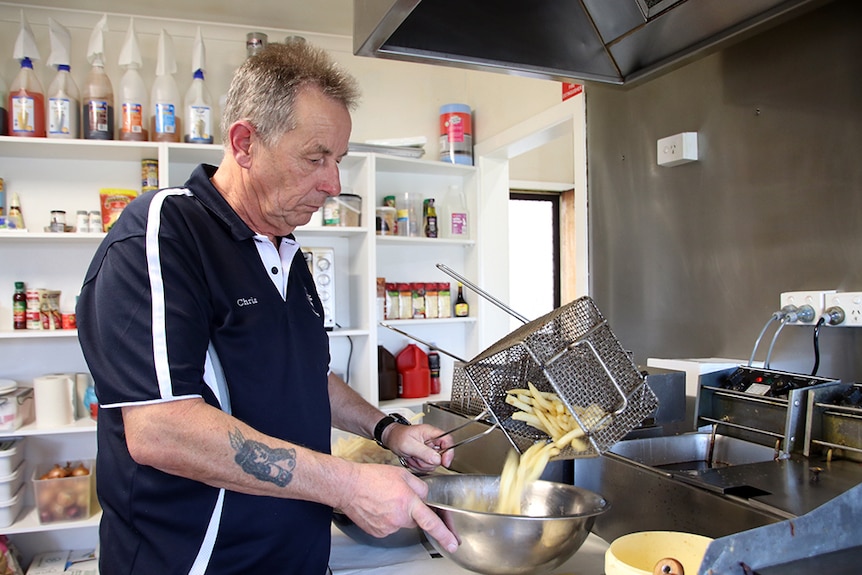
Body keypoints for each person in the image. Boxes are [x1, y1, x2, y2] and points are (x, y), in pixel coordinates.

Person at [76, 41, 458, 574]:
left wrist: (388, 430)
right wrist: (347, 484)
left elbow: (308, 376)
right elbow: (161, 428)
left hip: (297, 556)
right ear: (245, 143)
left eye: (339, 160)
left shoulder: (287, 251)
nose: (334, 184)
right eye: (315, 158)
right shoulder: (166, 232)